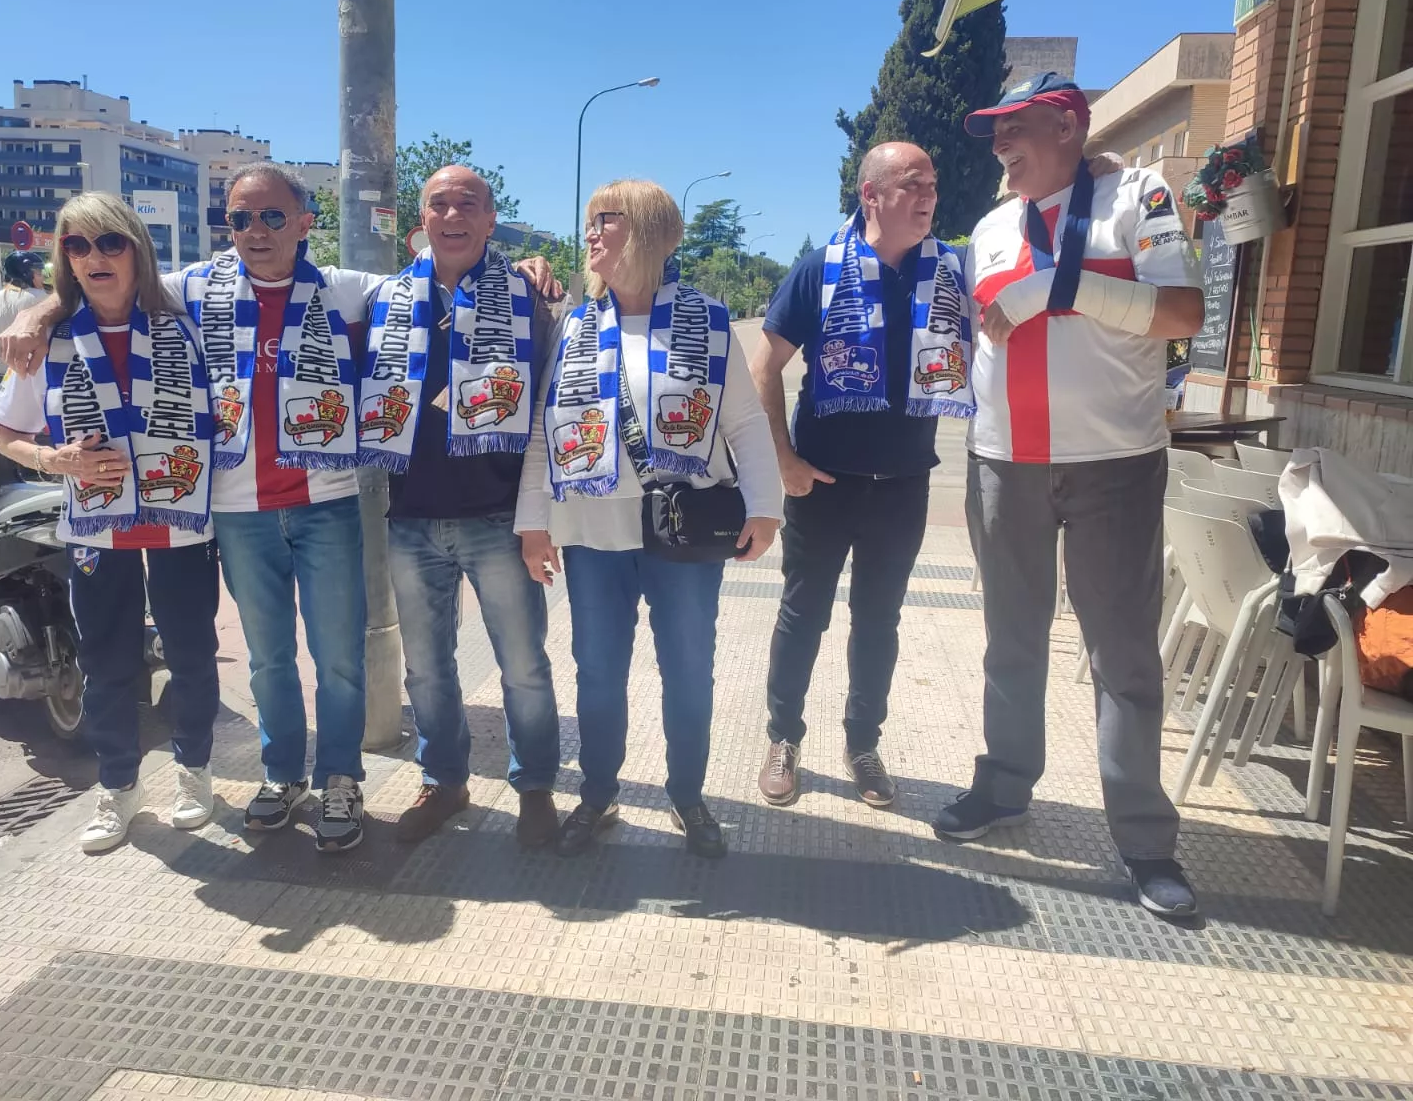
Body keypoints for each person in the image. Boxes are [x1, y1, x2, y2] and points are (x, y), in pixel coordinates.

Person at [0, 163, 559, 855]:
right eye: (240, 218)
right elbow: (105, 283)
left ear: (304, 222)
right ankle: (282, 774)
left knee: (340, 660)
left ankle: (342, 780)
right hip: (238, 512)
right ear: (225, 226)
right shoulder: (194, 290)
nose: (255, 231)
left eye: (271, 217)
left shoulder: (350, 292)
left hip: (326, 504)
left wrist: (522, 264)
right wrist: (37, 309)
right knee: (267, 660)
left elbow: (440, 269)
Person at [932, 73, 1206, 919]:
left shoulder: (1138, 193)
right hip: (1002, 460)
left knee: (1121, 656)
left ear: (1068, 126)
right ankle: (1006, 786)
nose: (1001, 147)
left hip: (1114, 462)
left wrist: (1065, 289)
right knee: (1009, 640)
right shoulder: (988, 227)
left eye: (1017, 129)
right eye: (996, 131)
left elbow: (1186, 313)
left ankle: (1145, 841)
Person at [516, 180, 782, 860]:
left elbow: (746, 425)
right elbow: (546, 434)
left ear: (649, 232)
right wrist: (534, 524)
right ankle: (599, 793)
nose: (592, 235)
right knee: (598, 671)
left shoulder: (707, 320)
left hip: (685, 530)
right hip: (592, 531)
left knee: (688, 668)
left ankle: (688, 795)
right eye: (590, 223)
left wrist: (765, 507)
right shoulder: (574, 325)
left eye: (606, 221)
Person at [0, 193, 221, 854]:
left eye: (110, 242)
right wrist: (55, 458)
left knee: (192, 655)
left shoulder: (187, 322)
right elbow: (6, 435)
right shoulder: (50, 341)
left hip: (181, 525)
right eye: (78, 246)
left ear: (137, 249)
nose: (95, 257)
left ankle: (195, 771)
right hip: (98, 528)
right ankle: (119, 787)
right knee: (106, 663)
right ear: (65, 259)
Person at [751, 144, 973, 810]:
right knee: (803, 614)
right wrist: (783, 460)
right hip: (824, 482)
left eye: (933, 182)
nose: (930, 194)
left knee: (879, 619)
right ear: (871, 195)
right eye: (913, 184)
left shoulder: (950, 274)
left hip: (904, 484)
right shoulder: (820, 271)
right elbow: (765, 367)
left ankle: (862, 743)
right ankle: (783, 738)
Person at [360, 166, 560, 847]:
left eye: (467, 205)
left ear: (490, 216)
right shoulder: (384, 298)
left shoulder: (530, 297)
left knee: (524, 664)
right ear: (421, 217)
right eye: (439, 204)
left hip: (498, 518)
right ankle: (444, 781)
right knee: (427, 668)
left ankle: (534, 786)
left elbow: (546, 414)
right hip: (412, 516)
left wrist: (539, 518)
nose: (452, 216)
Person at [0, 251, 49, 371]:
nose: (42, 278)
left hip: (1, 371)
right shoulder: (39, 297)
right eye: (39, 273)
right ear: (27, 274)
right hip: (31, 372)